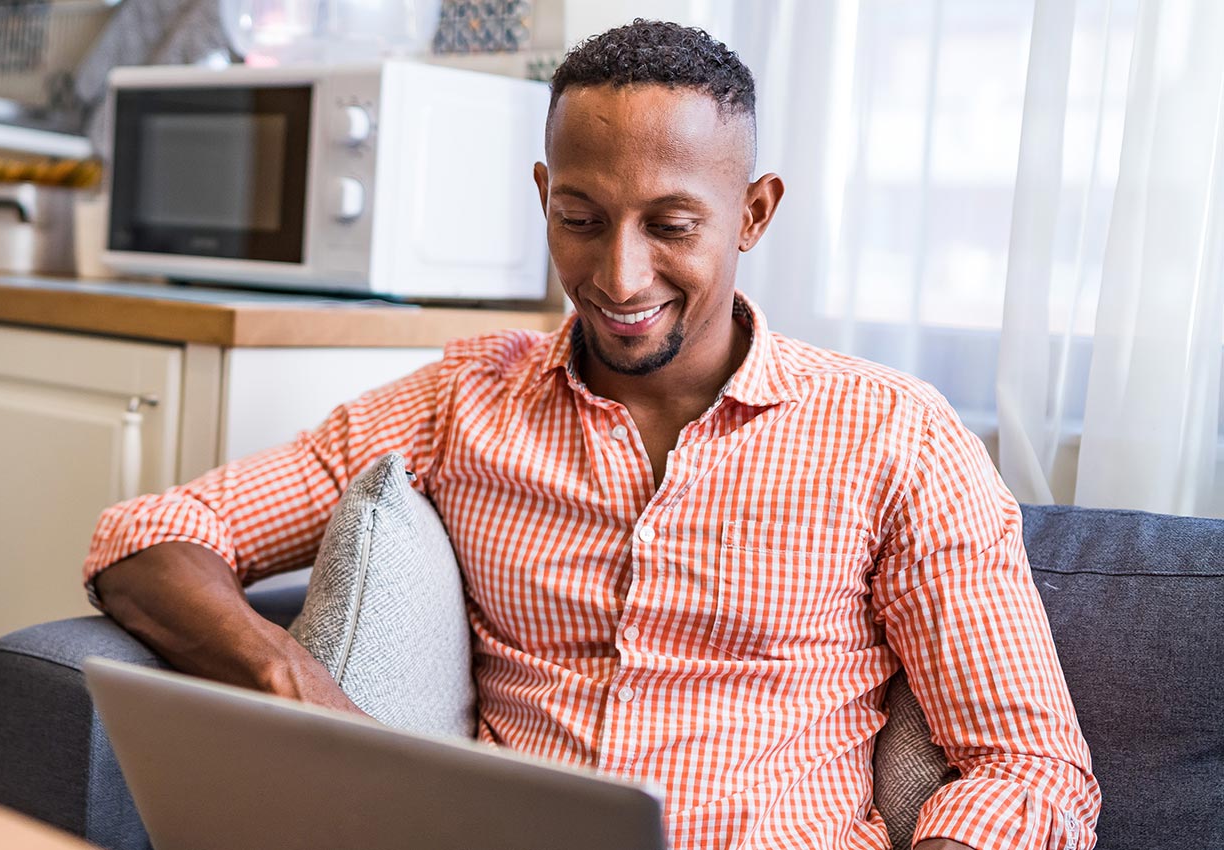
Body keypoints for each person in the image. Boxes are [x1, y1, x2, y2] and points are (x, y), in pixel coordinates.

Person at [82, 19, 1100, 850]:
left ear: (751, 212)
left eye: (669, 224)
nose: (617, 277)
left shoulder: (896, 436)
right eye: (580, 216)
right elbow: (147, 537)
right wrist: (295, 691)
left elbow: (1032, 765)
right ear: (542, 197)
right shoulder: (461, 401)